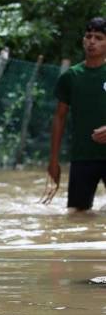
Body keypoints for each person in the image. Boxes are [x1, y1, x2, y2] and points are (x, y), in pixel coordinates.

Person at [48, 16, 106, 211]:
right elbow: (59, 117)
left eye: (99, 38)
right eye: (89, 36)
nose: (92, 42)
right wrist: (53, 161)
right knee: (76, 215)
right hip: (82, 158)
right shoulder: (71, 76)